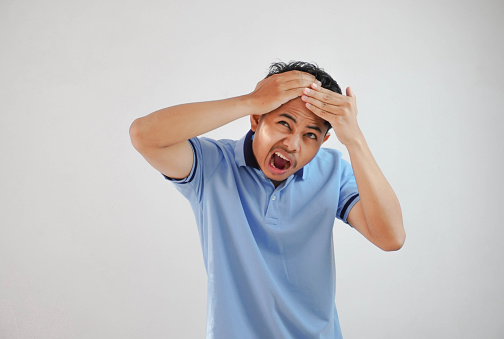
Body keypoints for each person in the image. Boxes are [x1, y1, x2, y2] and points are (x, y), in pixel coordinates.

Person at [129, 61, 405, 338]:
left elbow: (391, 237)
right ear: (256, 119)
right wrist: (250, 101)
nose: (293, 144)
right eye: (284, 123)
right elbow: (144, 135)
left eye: (310, 135)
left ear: (323, 141)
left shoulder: (333, 171)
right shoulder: (213, 166)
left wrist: (354, 138)